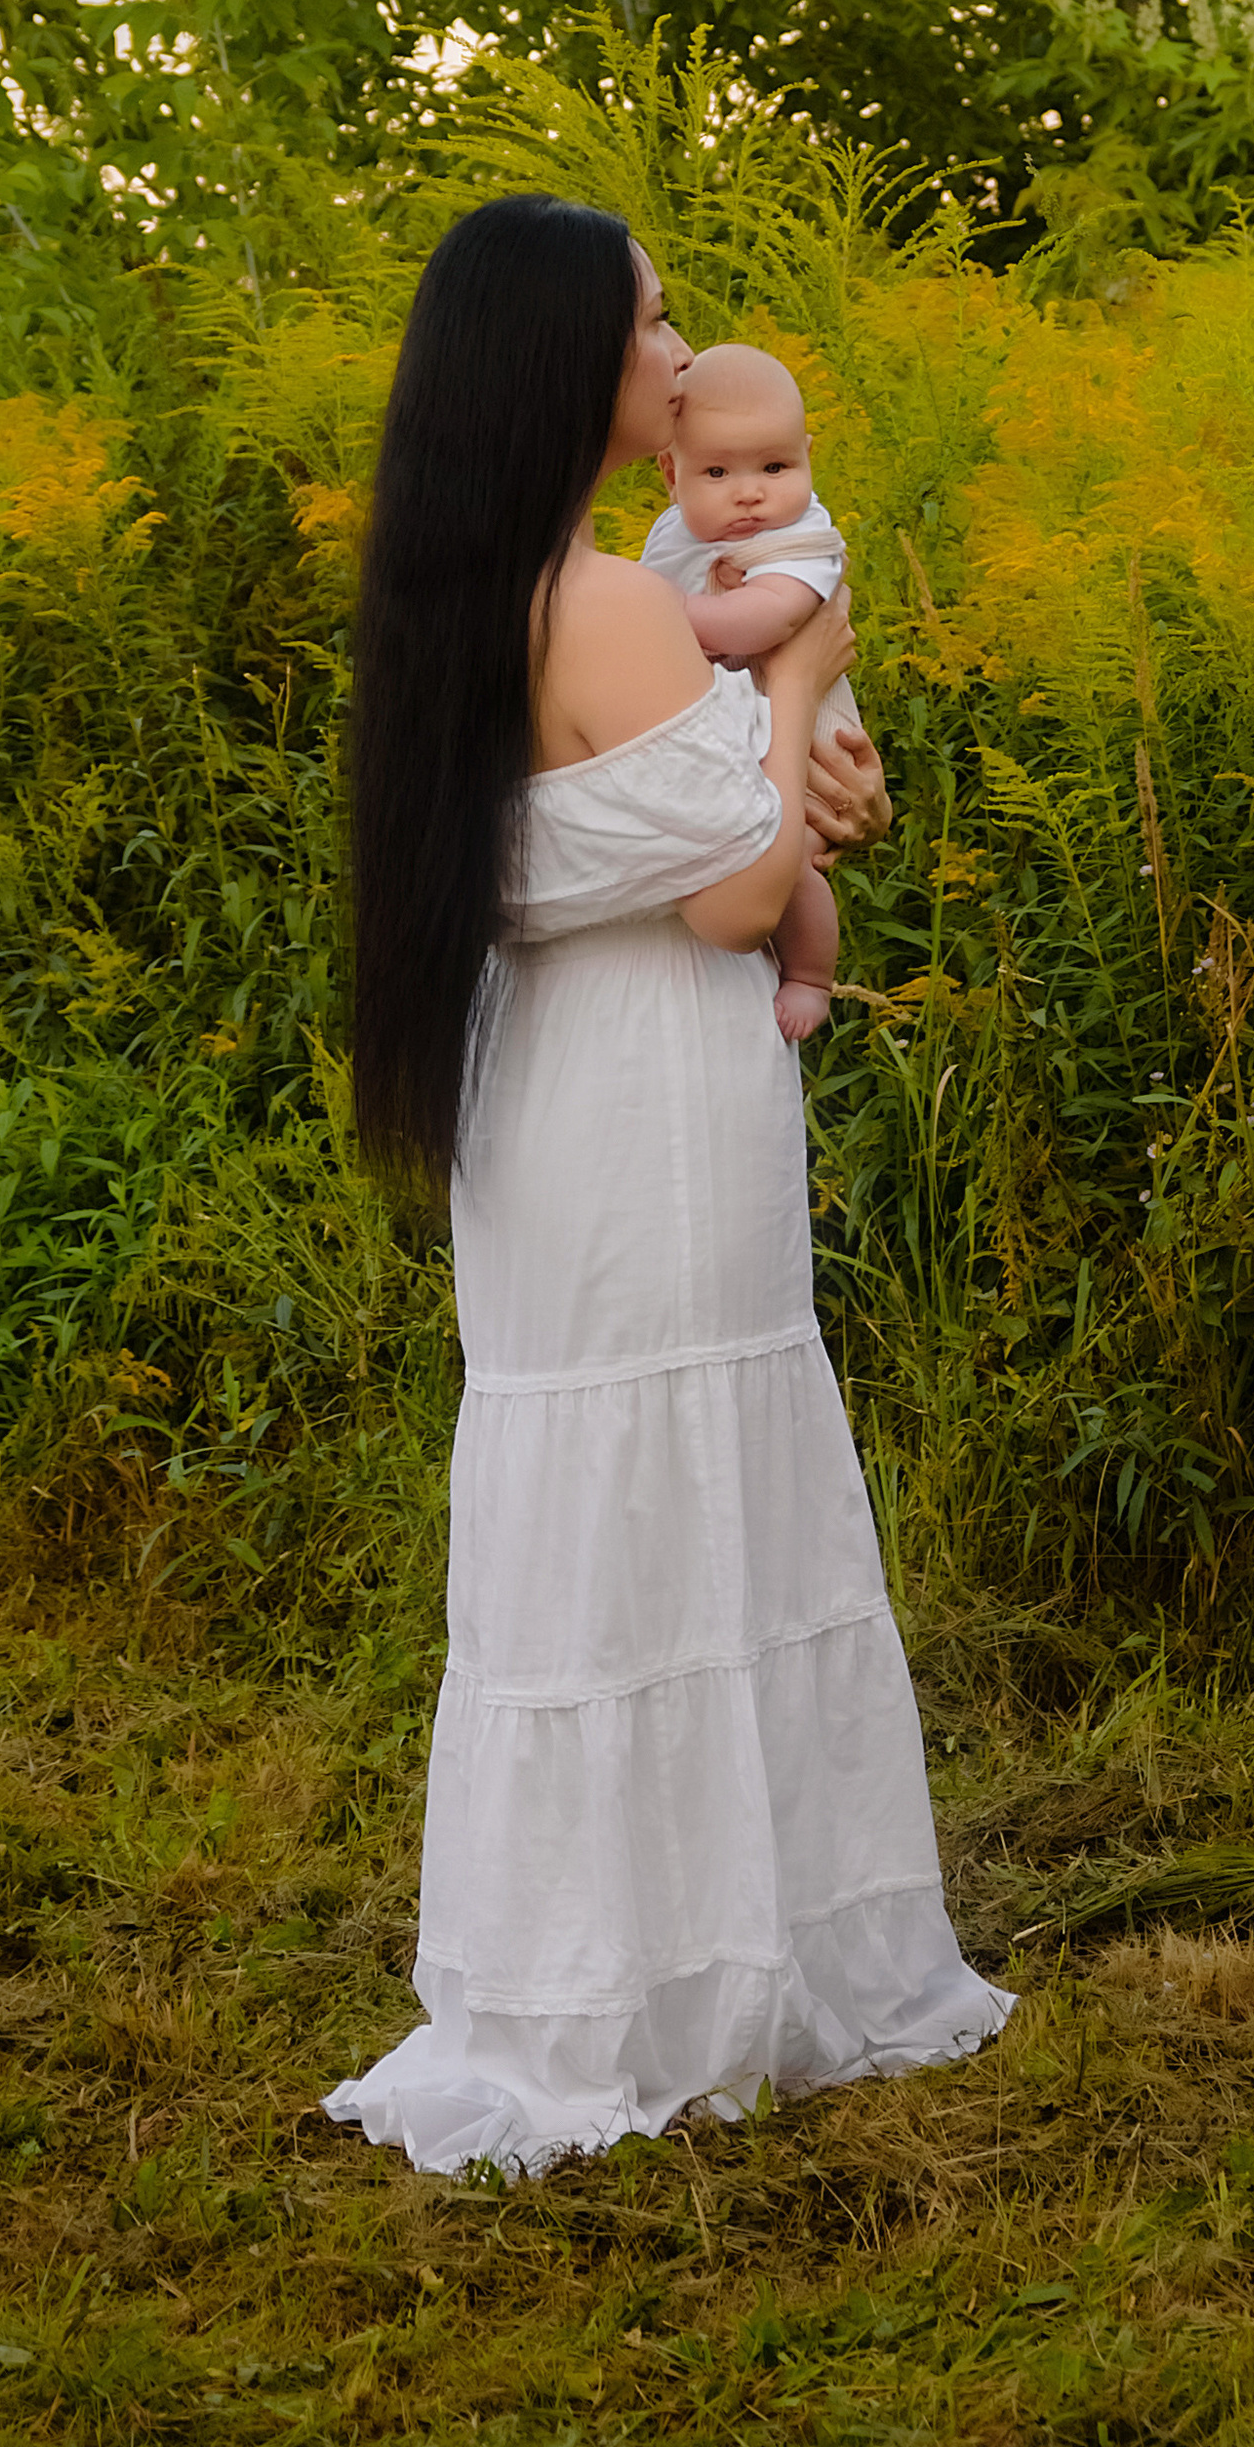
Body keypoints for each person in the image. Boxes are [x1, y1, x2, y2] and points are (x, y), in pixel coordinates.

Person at [323, 196, 1011, 2176]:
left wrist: (810, 779)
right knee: (686, 1482)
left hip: (550, 1101)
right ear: (565, 363)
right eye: (647, 324)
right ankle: (705, 1972)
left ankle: (596, 1966)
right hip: (651, 1104)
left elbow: (741, 832)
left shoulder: (478, 596)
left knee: (597, 1505)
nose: (681, 353)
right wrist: (808, 686)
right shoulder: (621, 605)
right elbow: (727, 893)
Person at [639, 340, 860, 1042]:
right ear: (671, 474)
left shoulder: (800, 539)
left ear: (807, 457)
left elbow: (761, 621)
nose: (750, 493)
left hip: (807, 748)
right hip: (738, 736)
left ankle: (811, 974)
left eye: (775, 466)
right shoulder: (677, 534)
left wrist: (653, 613)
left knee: (789, 862)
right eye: (716, 471)